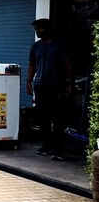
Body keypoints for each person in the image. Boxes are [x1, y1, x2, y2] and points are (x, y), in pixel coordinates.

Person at [27, 18, 72, 162]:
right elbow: (32, 65)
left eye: (40, 28)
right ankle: (45, 145)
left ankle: (58, 150)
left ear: (47, 29)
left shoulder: (59, 45)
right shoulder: (35, 47)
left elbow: (67, 64)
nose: (37, 31)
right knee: (42, 117)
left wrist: (70, 83)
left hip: (56, 86)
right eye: (36, 29)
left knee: (58, 119)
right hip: (40, 86)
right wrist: (29, 82)